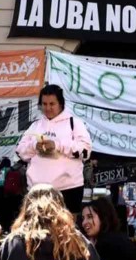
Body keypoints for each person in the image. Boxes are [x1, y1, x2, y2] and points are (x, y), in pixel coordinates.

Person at [15, 84, 92, 214]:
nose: (48, 108)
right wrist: (35, 146)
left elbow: (85, 151)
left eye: (52, 104)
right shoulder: (35, 126)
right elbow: (20, 150)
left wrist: (58, 145)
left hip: (68, 190)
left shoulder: (74, 123)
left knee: (66, 232)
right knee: (38, 232)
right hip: (37, 191)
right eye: (44, 104)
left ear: (61, 104)